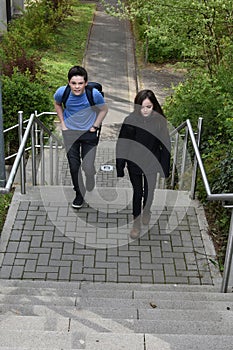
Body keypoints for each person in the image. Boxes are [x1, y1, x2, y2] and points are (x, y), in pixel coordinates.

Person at [116, 90, 171, 238]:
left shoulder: (160, 121)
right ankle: (136, 223)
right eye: (142, 107)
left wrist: (165, 168)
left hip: (152, 164)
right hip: (134, 163)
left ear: (154, 106)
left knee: (149, 192)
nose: (145, 110)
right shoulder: (130, 120)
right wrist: (120, 166)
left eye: (148, 107)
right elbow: (122, 144)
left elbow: (165, 145)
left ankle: (147, 210)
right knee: (137, 193)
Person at [54, 65, 108, 208]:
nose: (77, 87)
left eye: (80, 83)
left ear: (85, 83)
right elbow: (57, 104)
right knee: (74, 166)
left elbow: (104, 110)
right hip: (70, 133)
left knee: (87, 165)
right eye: (73, 83)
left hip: (89, 133)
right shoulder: (62, 92)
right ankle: (79, 193)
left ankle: (90, 175)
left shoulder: (94, 94)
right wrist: (63, 123)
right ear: (68, 83)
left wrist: (95, 126)